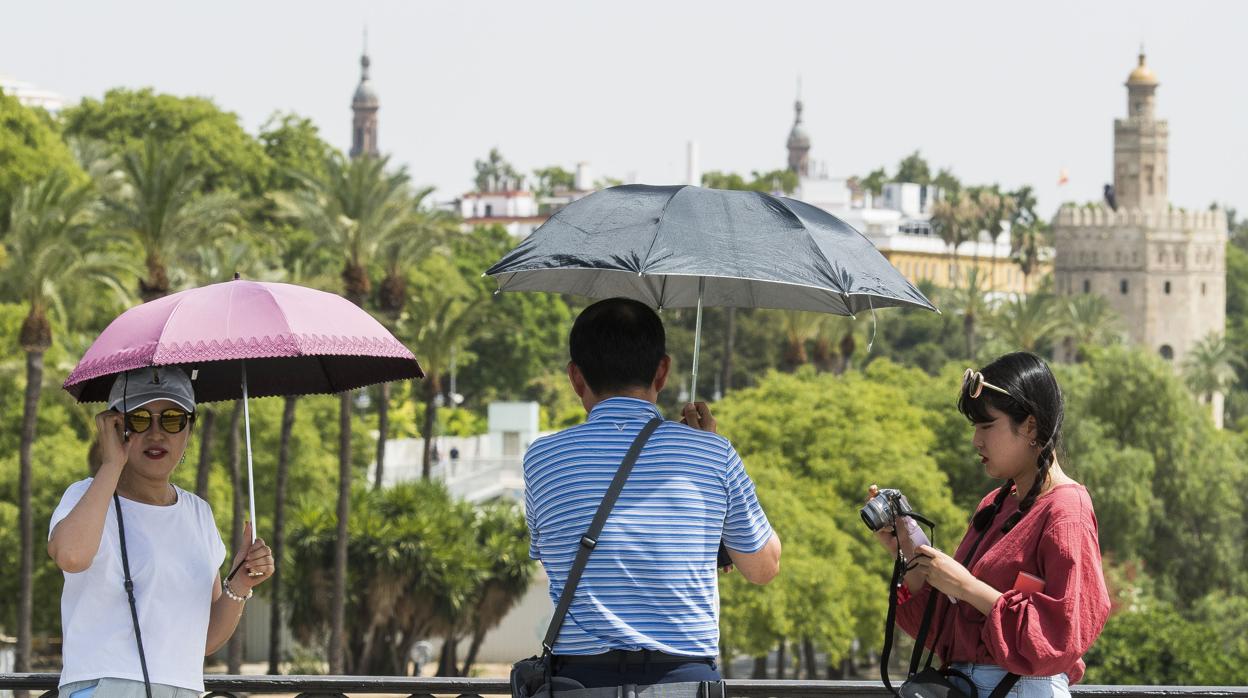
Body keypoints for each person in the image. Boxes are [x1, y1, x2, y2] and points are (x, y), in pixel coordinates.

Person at [524, 297, 781, 689]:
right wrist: (705, 451)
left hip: (578, 683)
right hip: (684, 681)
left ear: (576, 377)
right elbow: (764, 568)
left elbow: (554, 556)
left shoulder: (542, 459)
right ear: (662, 371)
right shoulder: (713, 453)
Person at [874, 352, 1110, 697]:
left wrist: (967, 587)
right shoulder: (995, 503)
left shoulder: (1066, 510)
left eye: (987, 426)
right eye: (975, 427)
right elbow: (942, 629)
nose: (976, 441)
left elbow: (1063, 635)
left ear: (1030, 426)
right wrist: (908, 551)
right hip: (968, 685)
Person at [47, 367, 274, 698]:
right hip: (105, 687)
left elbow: (205, 638)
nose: (156, 434)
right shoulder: (86, 497)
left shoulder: (199, 513)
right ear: (115, 426)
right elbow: (70, 555)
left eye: (171, 420)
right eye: (139, 419)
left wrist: (240, 583)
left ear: (188, 430)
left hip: (182, 689)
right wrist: (111, 464)